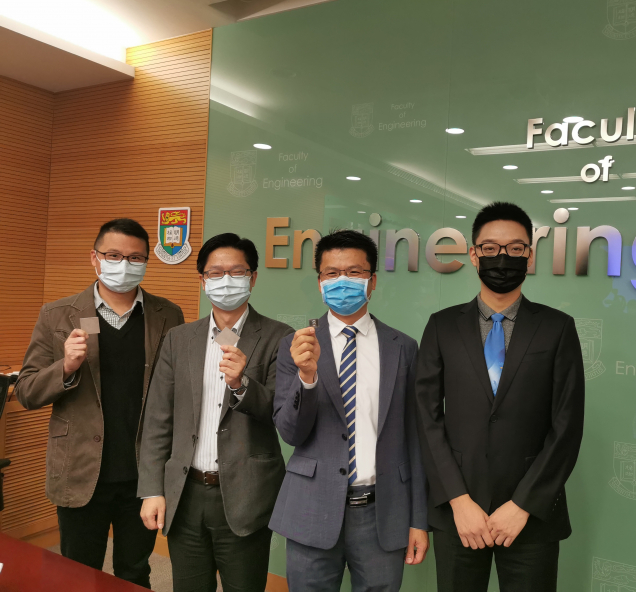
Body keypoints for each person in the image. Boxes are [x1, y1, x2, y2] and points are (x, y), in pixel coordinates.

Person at [415, 202, 585, 592]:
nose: (502, 258)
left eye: (515, 248)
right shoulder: (442, 326)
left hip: (530, 515)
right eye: (490, 248)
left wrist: (523, 504)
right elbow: (426, 418)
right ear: (474, 255)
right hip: (459, 513)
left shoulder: (557, 327)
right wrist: (458, 500)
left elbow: (567, 425)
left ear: (530, 255)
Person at [15, 218, 185, 588]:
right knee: (76, 575)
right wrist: (66, 366)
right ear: (95, 258)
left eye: (135, 258)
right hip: (79, 471)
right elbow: (26, 391)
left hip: (143, 473)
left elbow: (174, 392)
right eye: (113, 255)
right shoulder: (57, 315)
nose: (124, 264)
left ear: (145, 262)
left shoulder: (167, 315)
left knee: (135, 572)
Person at [271, 230, 429, 592]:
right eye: (332, 273)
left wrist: (418, 519)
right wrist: (306, 378)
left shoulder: (403, 348)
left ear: (372, 281)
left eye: (354, 272)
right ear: (320, 282)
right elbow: (290, 433)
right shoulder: (296, 346)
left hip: (382, 511)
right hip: (311, 507)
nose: (342, 280)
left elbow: (416, 437)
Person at [137, 233, 294, 592]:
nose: (226, 280)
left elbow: (282, 414)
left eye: (237, 272)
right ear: (202, 280)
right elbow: (158, 418)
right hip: (185, 494)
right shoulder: (180, 339)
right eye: (216, 273)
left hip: (247, 495)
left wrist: (242, 385)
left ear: (253, 278)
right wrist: (152, 489)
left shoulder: (279, 337)